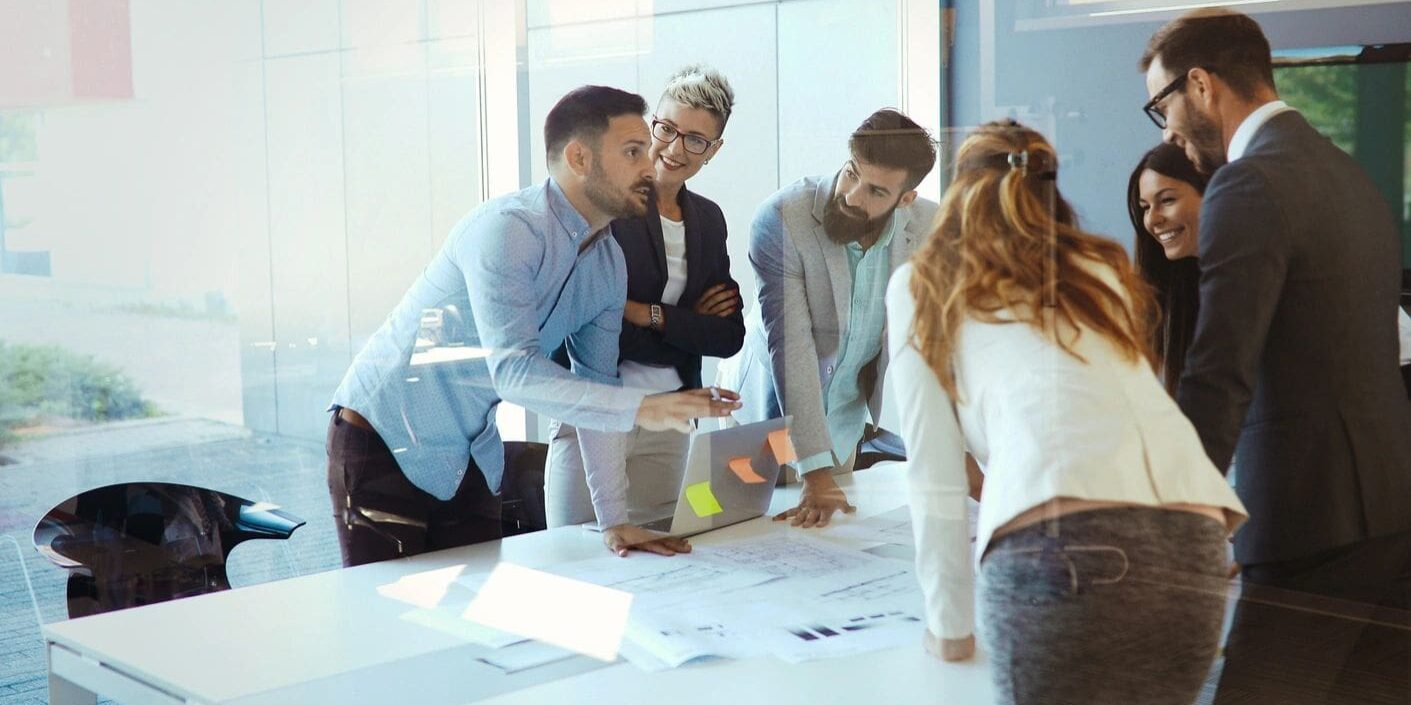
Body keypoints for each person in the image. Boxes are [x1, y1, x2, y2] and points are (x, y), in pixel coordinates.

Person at [887, 120, 1246, 705]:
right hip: (1193, 541)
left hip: (1059, 546)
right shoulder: (1098, 271)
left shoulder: (923, 285)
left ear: (959, 194)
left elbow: (934, 475)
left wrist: (949, 629)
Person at [325, 85, 740, 567]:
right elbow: (514, 372)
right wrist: (640, 407)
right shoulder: (508, 230)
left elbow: (595, 386)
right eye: (633, 151)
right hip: (382, 437)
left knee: (480, 623)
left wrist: (613, 521)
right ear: (580, 158)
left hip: (471, 452)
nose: (650, 165)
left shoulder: (607, 262)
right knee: (391, 624)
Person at [1141, 9, 1411, 702]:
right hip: (1389, 515)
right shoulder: (1348, 174)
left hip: (1305, 523)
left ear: (1199, 85)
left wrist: (1175, 519)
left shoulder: (1248, 181)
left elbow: (1218, 371)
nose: (1165, 130)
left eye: (1159, 105)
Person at [545, 66, 745, 557]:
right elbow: (590, 326)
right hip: (594, 411)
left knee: (660, 559)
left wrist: (646, 313)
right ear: (653, 123)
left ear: (714, 151)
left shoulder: (709, 219)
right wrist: (681, 321)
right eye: (668, 129)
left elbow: (727, 336)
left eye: (696, 140)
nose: (675, 149)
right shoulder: (611, 205)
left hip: (670, 421)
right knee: (576, 561)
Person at [717, 108, 938, 529]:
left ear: (905, 199)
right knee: (744, 543)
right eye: (852, 173)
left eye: (876, 191)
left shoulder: (930, 228)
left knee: (826, 546)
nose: (853, 196)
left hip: (843, 422)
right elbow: (792, 345)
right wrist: (814, 472)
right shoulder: (783, 218)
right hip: (761, 417)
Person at [1129, 142, 1411, 397]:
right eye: (1145, 207)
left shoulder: (1271, 263)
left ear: (1214, 193)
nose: (1152, 219)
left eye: (1167, 200)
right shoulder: (1195, 286)